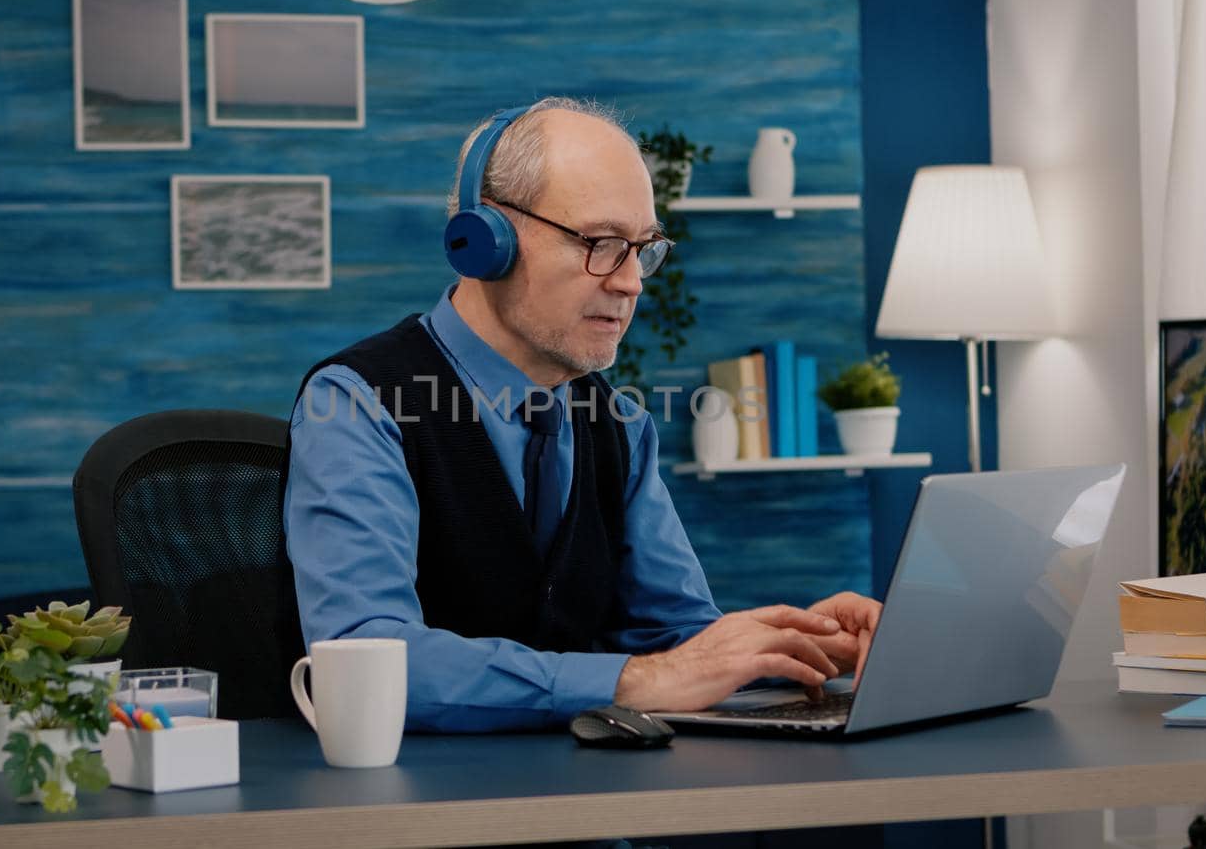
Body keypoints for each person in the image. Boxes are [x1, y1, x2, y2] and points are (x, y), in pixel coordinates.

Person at [285, 97, 881, 733]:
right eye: (602, 243)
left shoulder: (620, 424)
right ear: (484, 243)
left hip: (590, 806)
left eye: (643, 249)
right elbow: (364, 657)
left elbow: (677, 636)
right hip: (418, 815)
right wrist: (635, 680)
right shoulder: (356, 402)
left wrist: (799, 646)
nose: (632, 283)